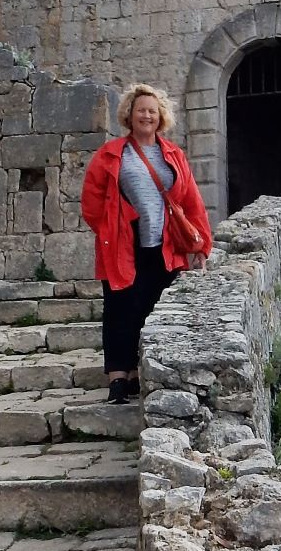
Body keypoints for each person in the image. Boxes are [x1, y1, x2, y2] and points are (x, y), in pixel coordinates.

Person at [80, 83, 213, 405]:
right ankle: (117, 379)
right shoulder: (110, 154)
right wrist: (112, 228)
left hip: (165, 245)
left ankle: (139, 373)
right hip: (123, 243)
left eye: (152, 111)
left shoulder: (173, 155)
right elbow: (91, 201)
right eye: (141, 110)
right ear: (130, 114)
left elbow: (191, 200)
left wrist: (201, 244)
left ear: (161, 116)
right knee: (119, 308)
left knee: (150, 307)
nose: (147, 116)